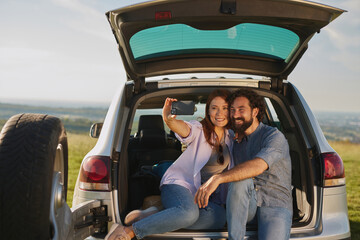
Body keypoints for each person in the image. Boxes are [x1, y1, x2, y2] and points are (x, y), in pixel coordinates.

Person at [106, 89, 233, 240]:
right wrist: (169, 119)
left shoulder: (232, 136)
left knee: (220, 218)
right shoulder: (199, 129)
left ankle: (161, 212)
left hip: (203, 197)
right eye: (214, 108)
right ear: (208, 111)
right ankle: (130, 230)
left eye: (224, 108)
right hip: (180, 184)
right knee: (189, 213)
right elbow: (185, 129)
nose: (219, 113)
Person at [194, 89, 292, 240]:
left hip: (274, 204)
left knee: (240, 178)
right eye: (232, 110)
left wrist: (218, 178)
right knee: (239, 182)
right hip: (244, 206)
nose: (235, 115)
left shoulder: (273, 136)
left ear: (255, 111)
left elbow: (258, 166)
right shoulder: (234, 139)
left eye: (241, 109)